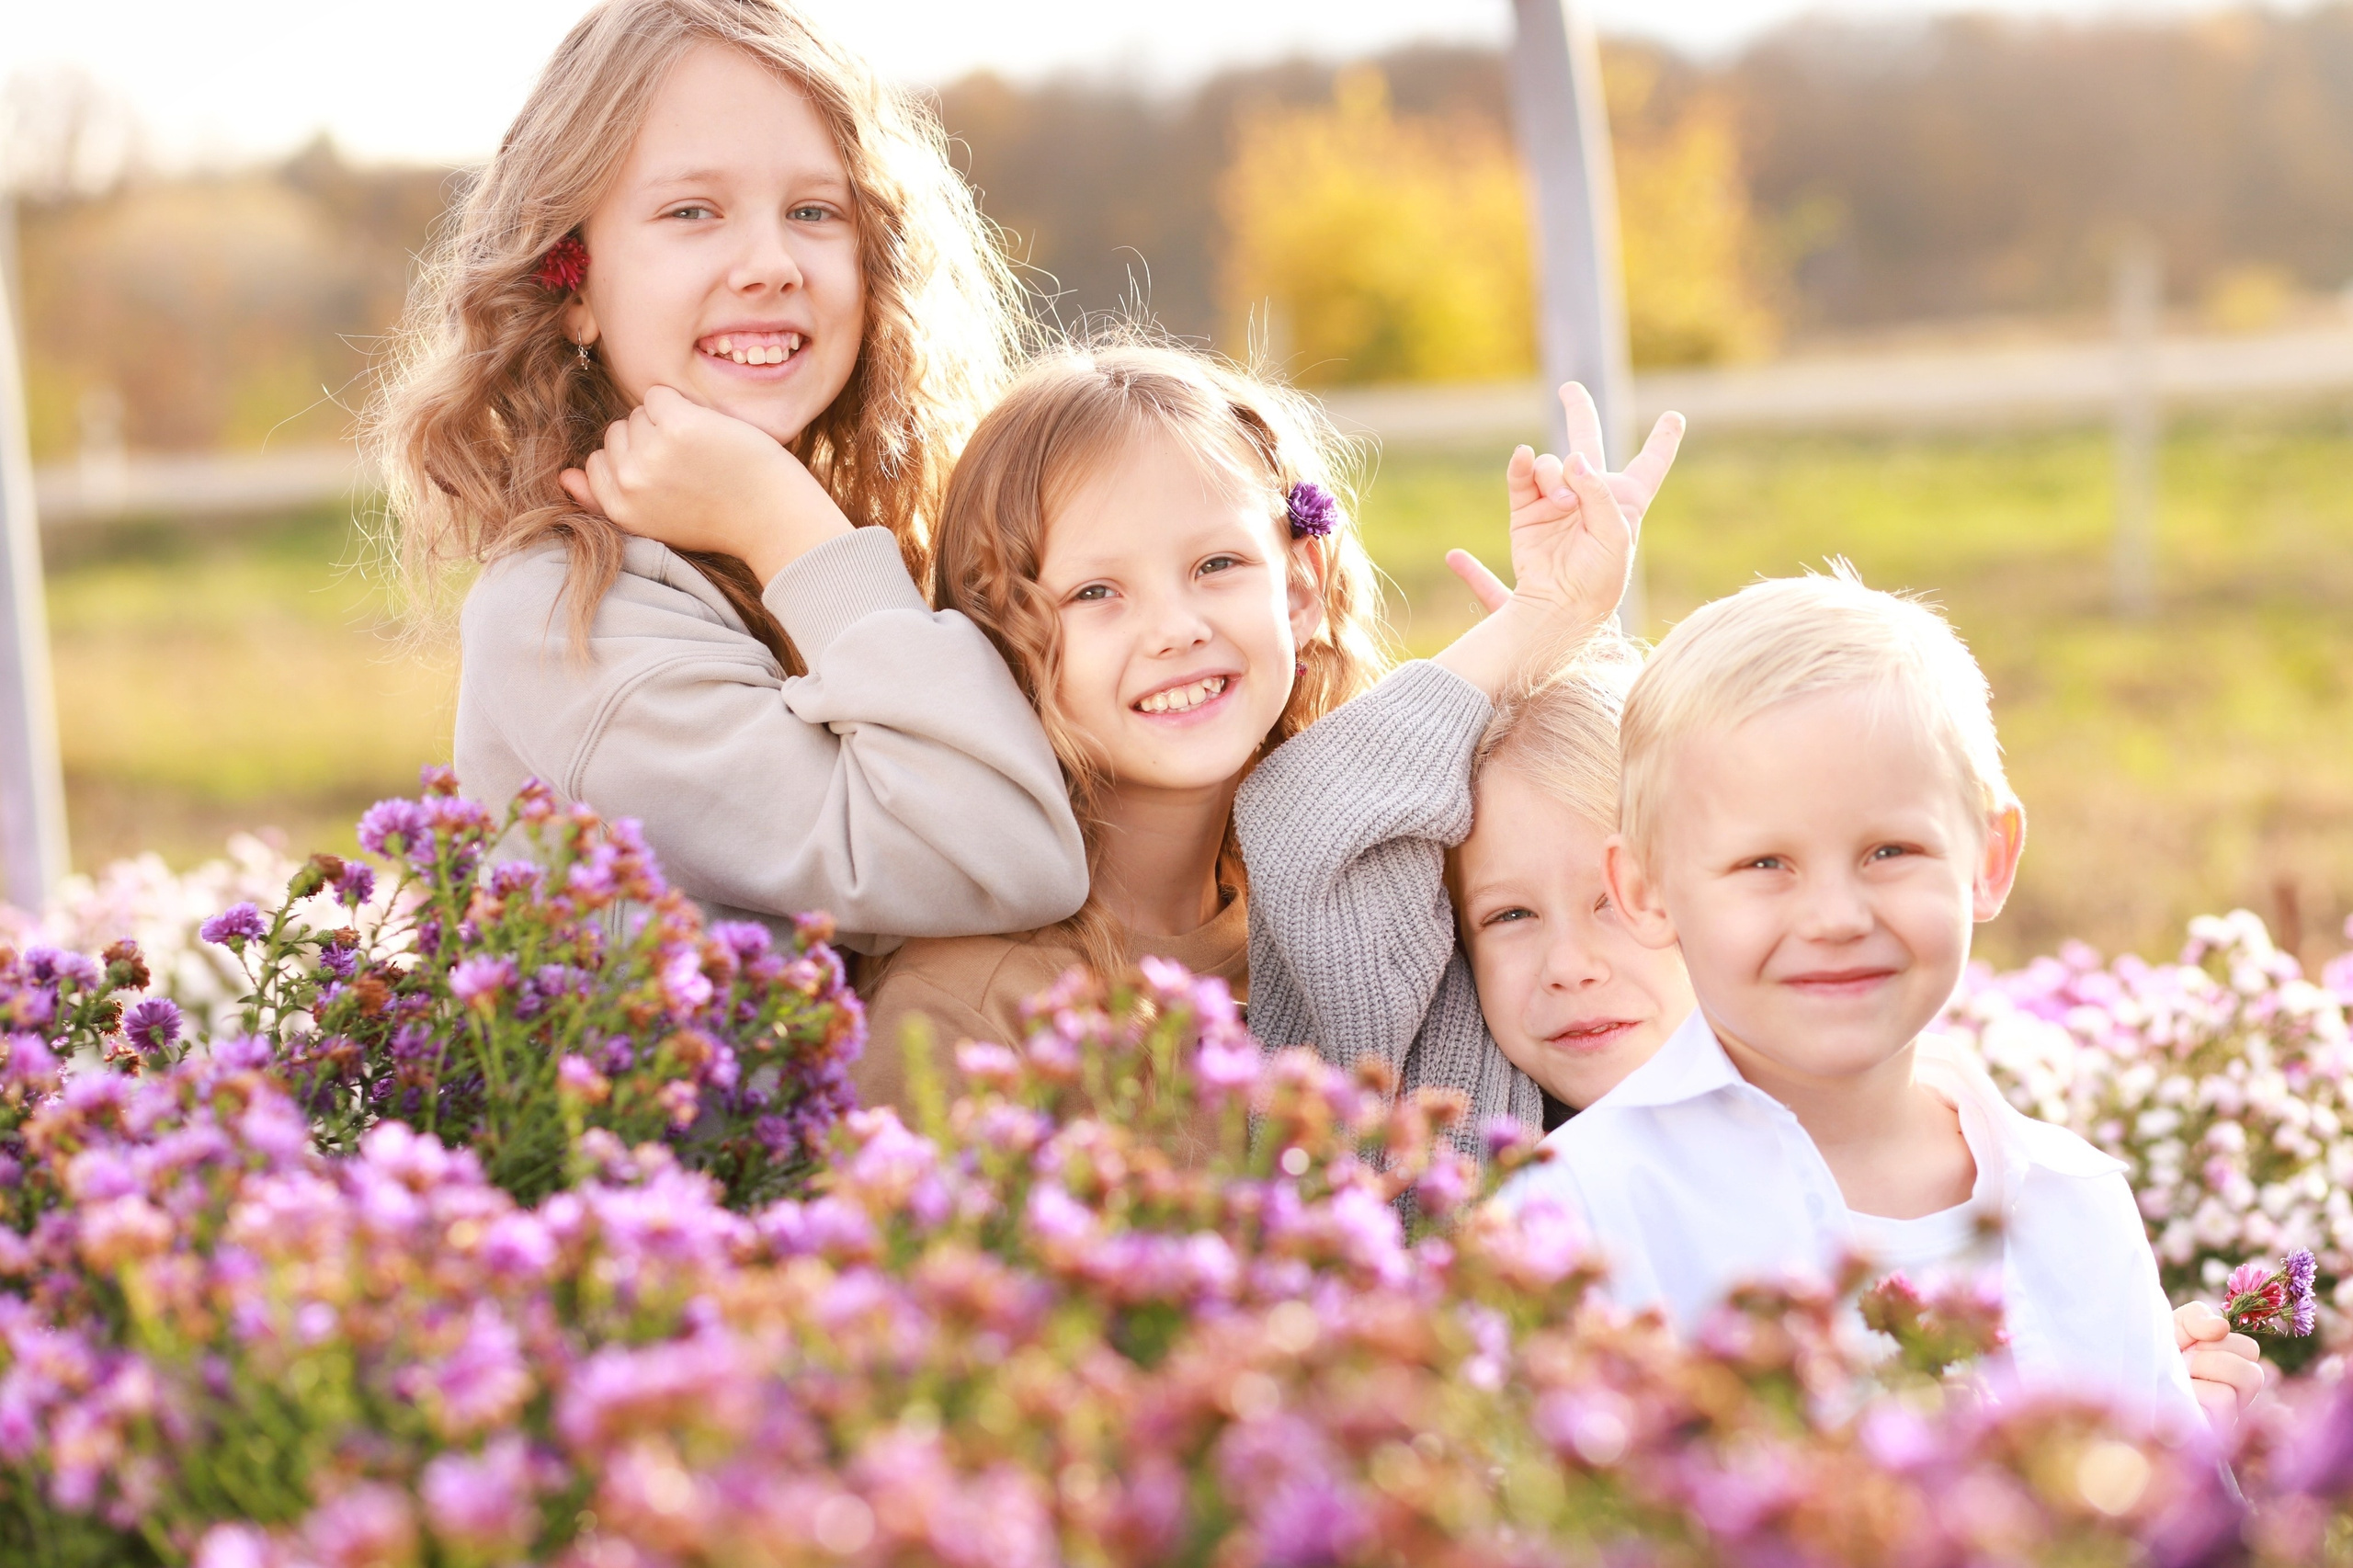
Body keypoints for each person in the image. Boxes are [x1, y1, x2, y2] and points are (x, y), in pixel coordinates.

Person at [371, 0, 1086, 954]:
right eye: (692, 212)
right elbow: (1002, 857)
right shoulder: (563, 618)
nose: (770, 264)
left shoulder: (871, 544)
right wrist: (777, 518)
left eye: (813, 211)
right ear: (572, 282)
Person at [1505, 566, 2256, 1427]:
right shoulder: (1580, 1213)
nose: (1835, 917)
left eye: (1890, 852)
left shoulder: (2073, 1201)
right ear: (1646, 890)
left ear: (1988, 860)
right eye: (1764, 863)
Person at [856, 342, 1390, 1124]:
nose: (1175, 629)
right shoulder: (972, 1015)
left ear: (1300, 588)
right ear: (1003, 641)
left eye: (1216, 564)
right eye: (1096, 591)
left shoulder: (1352, 934)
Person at [1238, 386, 1692, 1148]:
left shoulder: (1823, 1106)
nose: (1569, 966)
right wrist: (1543, 620)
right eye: (1508, 916)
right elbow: (1307, 818)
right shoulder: (1457, 1122)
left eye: (1619, 899)